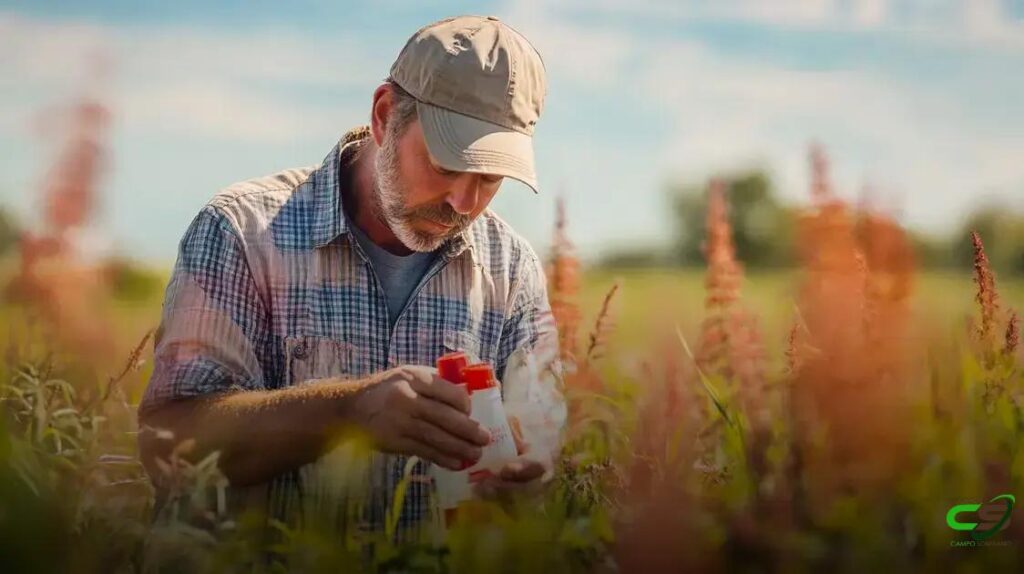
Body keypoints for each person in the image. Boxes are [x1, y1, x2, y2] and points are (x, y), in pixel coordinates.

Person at [137, 15, 565, 537]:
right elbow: (168, 441)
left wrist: (531, 466)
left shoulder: (512, 268)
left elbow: (540, 428)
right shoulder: (241, 233)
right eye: (447, 166)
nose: (464, 202)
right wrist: (349, 411)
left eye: (491, 177)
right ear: (385, 116)